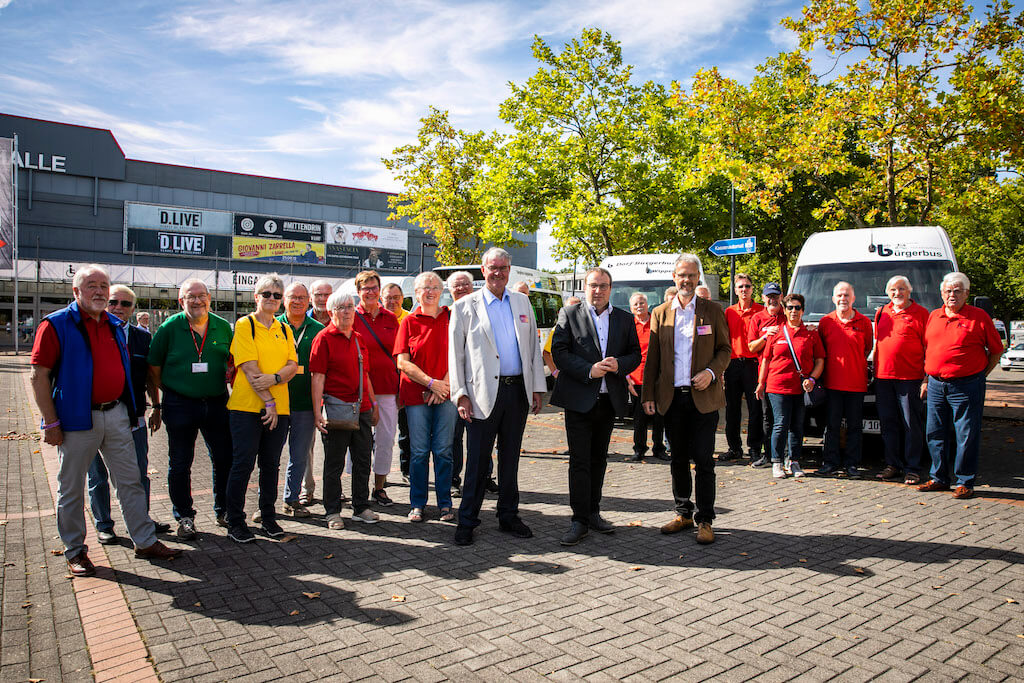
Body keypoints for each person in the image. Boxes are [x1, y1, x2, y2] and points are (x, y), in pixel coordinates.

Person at [30, 265, 181, 577]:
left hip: (115, 415)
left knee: (131, 480)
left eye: (103, 285)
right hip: (75, 419)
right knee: (71, 488)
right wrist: (50, 422)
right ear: (76, 291)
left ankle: (144, 540)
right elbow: (39, 375)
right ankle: (75, 551)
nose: (99, 291)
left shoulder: (113, 325)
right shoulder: (56, 325)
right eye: (91, 285)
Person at [449, 247, 546, 546]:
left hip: (517, 391)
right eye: (493, 267)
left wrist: (537, 388)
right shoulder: (465, 306)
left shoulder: (521, 302)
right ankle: (467, 520)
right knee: (477, 462)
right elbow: (456, 357)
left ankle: (508, 516)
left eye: (503, 267)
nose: (498, 272)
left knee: (510, 459)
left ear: (509, 269)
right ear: (483, 269)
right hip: (480, 395)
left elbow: (532, 349)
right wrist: (460, 394)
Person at [642, 254, 731, 545]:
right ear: (674, 277)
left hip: (703, 398)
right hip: (672, 398)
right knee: (677, 458)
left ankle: (705, 519)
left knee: (704, 460)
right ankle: (683, 513)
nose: (686, 280)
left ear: (698, 278)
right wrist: (648, 395)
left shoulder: (713, 310)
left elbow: (725, 350)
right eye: (682, 275)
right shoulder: (660, 312)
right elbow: (652, 359)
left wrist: (711, 372)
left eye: (692, 275)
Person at [551, 268, 641, 545]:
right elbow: (559, 352)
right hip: (579, 400)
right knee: (580, 461)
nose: (598, 291)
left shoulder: (625, 319)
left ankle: (593, 512)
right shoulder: (570, 314)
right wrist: (589, 370)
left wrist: (620, 365)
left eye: (603, 286)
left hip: (607, 401)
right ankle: (578, 519)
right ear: (585, 288)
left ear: (611, 288)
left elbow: (635, 354)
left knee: (599, 460)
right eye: (593, 285)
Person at [148, 278, 234, 540]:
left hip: (217, 402)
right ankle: (184, 516)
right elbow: (153, 368)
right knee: (180, 463)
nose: (197, 301)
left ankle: (224, 510)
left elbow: (232, 362)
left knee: (224, 459)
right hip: (180, 403)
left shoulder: (222, 327)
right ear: (181, 301)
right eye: (190, 297)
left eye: (201, 296)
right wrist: (165, 396)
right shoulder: (169, 328)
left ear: (209, 298)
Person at [87, 285, 169, 545]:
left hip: (134, 417)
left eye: (125, 304)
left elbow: (149, 378)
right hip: (92, 418)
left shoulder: (142, 338)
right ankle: (104, 524)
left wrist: (156, 407)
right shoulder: (89, 333)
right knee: (97, 475)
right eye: (113, 302)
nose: (118, 308)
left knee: (138, 472)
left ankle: (141, 520)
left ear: (133, 310)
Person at [224, 274, 299, 543]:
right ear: (256, 297)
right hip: (247, 408)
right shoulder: (246, 325)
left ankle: (268, 517)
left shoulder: (285, 329)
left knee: (270, 465)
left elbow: (293, 365)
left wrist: (277, 379)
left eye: (277, 295)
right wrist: (269, 401)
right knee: (242, 464)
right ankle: (234, 521)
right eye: (266, 294)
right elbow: (250, 368)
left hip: (281, 410)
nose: (272, 299)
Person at [918, 272, 1003, 500]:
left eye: (957, 290)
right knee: (934, 433)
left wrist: (981, 375)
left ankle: (965, 481)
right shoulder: (934, 316)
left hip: (967, 385)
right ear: (941, 293)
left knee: (965, 434)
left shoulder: (979, 317)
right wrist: (926, 379)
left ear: (966, 293)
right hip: (936, 384)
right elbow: (930, 351)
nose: (952, 295)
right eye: (948, 291)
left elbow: (996, 350)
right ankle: (939, 478)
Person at [310, 291, 380, 529]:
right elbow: (317, 377)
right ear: (331, 313)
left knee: (362, 460)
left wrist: (374, 404)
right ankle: (332, 511)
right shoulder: (324, 338)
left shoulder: (359, 338)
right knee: (334, 463)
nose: (348, 311)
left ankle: (361, 507)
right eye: (342, 308)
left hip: (362, 409)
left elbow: (366, 374)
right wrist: (317, 412)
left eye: (350, 306)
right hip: (337, 410)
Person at [396, 272, 456, 522]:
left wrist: (444, 386)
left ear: (441, 291)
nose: (430, 292)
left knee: (443, 451)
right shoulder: (408, 322)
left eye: (434, 287)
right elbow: (402, 362)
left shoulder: (451, 318)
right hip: (416, 395)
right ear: (416, 292)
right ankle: (417, 503)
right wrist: (431, 383)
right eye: (424, 288)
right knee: (419, 452)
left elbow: (461, 354)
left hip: (447, 394)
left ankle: (445, 504)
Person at [755, 293, 824, 481]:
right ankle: (777, 461)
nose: (794, 311)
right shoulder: (775, 332)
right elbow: (767, 360)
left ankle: (793, 461)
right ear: (784, 310)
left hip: (801, 387)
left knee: (797, 426)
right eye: (790, 307)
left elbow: (819, 360)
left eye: (797, 307)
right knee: (781, 423)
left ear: (803, 310)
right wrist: (761, 383)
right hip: (777, 385)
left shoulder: (811, 332)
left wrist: (812, 378)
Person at [874, 276, 929, 484]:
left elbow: (929, 348)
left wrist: (926, 378)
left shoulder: (922, 314)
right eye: (893, 290)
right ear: (888, 292)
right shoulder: (882, 312)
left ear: (909, 291)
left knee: (910, 425)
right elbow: (878, 343)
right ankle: (892, 465)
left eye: (901, 289)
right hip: (883, 378)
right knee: (888, 424)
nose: (897, 293)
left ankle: (912, 468)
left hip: (910, 378)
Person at [352, 270, 401, 506]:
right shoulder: (350, 316)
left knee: (385, 439)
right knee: (357, 441)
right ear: (358, 291)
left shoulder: (391, 319)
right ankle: (357, 488)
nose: (370, 292)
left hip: (387, 389)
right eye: (365, 288)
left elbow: (400, 355)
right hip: (357, 390)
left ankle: (379, 487)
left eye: (374, 288)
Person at [816, 282, 873, 478]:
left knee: (855, 427)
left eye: (847, 295)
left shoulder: (864, 322)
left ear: (853, 298)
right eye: (839, 295)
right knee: (831, 426)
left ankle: (852, 464)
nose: (843, 298)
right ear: (833, 299)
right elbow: (821, 351)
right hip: (832, 384)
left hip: (856, 384)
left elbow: (867, 348)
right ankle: (830, 463)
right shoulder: (825, 322)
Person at [277, 282, 324, 518]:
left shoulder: (317, 329)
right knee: (270, 456)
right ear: (284, 299)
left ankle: (291, 499)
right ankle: (265, 504)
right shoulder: (273, 326)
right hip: (275, 402)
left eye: (302, 298)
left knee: (299, 455)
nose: (297, 301)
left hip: (305, 403)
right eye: (293, 297)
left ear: (308, 302)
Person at [722, 273, 765, 463]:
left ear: (752, 289)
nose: (744, 290)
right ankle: (734, 448)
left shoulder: (761, 311)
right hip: (733, 364)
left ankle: (755, 448)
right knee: (732, 409)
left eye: (747, 286)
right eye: (740, 287)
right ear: (735, 290)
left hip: (753, 364)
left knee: (755, 407)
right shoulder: (729, 312)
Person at [300, 279, 333, 505]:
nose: (322, 299)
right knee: (306, 443)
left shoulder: (340, 319)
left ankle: (334, 487)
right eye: (318, 294)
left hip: (333, 392)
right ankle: (306, 488)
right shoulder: (301, 320)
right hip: (305, 390)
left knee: (334, 442)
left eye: (326, 294)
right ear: (311, 297)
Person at [746, 282, 784, 468]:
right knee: (767, 417)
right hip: (765, 375)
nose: (772, 300)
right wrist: (765, 336)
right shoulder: (757, 318)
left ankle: (787, 456)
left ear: (781, 297)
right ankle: (768, 455)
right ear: (763, 298)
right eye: (769, 296)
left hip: (786, 376)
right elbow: (751, 347)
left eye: (775, 296)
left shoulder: (789, 314)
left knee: (785, 418)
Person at [626, 292, 668, 462]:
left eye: (642, 302)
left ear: (648, 304)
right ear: (631, 308)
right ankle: (639, 448)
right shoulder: (628, 325)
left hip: (657, 377)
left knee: (659, 416)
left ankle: (659, 448)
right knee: (639, 418)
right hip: (636, 377)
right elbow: (623, 352)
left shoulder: (657, 322)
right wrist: (626, 376)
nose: (639, 306)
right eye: (635, 304)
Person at [445, 271, 476, 495]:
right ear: (450, 289)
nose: (462, 288)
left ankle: (483, 477)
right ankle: (454, 480)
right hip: (451, 387)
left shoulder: (482, 312)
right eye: (457, 285)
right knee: (453, 437)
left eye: (466, 284)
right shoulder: (444, 316)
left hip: (478, 385)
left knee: (480, 436)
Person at [383, 282, 412, 480]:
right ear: (381, 299)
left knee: (406, 430)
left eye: (396, 297)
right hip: (382, 381)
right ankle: (380, 475)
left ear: (403, 298)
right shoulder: (375, 318)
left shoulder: (410, 318)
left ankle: (406, 470)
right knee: (380, 434)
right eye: (388, 298)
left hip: (404, 381)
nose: (392, 301)